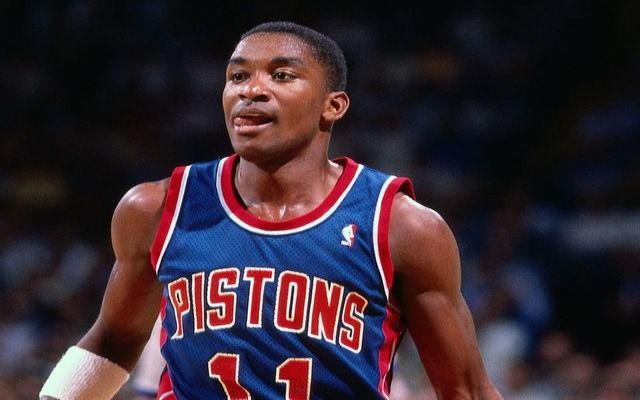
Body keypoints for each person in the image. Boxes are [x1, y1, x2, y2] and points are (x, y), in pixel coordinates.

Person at [39, 21, 503, 399]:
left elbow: (465, 389)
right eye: (237, 77)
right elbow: (114, 340)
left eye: (281, 76)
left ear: (333, 106)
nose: (251, 90)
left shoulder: (402, 226)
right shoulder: (158, 207)